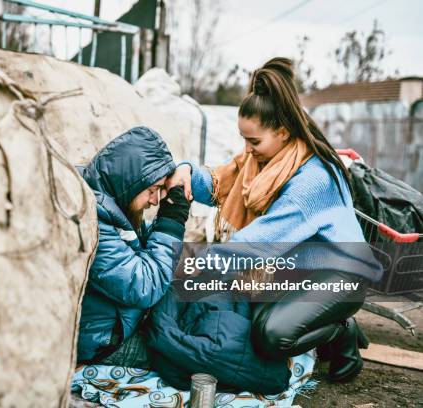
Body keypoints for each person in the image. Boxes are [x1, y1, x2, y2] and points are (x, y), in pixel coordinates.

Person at [167, 57, 382, 383]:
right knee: (249, 315)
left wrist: (187, 274)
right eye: (244, 140)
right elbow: (216, 182)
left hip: (341, 273)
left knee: (269, 337)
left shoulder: (311, 180)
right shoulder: (259, 161)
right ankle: (318, 325)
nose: (246, 150)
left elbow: (254, 245)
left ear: (282, 132)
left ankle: (340, 332)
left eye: (253, 142)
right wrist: (184, 170)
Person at [76, 126, 191, 366]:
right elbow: (144, 285)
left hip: (127, 320)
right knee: (190, 359)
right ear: (130, 181)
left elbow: (141, 243)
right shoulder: (92, 219)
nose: (156, 200)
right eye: (153, 190)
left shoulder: (114, 201)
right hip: (104, 343)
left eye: (160, 190)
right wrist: (171, 222)